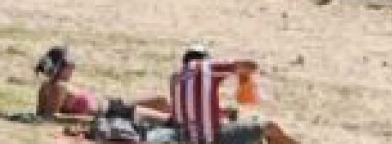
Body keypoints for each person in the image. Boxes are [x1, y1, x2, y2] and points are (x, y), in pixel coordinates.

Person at [169, 47, 302, 144]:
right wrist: (243, 76)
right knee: (268, 127)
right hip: (213, 139)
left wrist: (222, 113)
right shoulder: (207, 67)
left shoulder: (176, 77)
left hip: (185, 138)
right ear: (206, 59)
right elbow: (250, 65)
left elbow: (191, 112)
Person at [33, 46, 172, 125]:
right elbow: (51, 117)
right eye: (70, 66)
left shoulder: (46, 86)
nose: (73, 68)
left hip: (113, 105)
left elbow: (41, 113)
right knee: (169, 120)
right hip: (112, 113)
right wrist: (89, 120)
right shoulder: (59, 86)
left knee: (162, 100)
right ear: (61, 68)